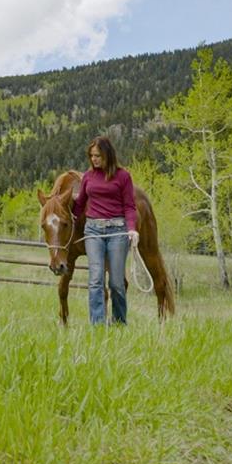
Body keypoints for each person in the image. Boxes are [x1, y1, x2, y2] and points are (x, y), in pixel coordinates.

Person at [71, 136, 137, 325]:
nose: (94, 159)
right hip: (93, 230)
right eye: (91, 156)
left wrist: (132, 229)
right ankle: (98, 325)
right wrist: (65, 216)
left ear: (108, 155)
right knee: (95, 280)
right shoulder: (88, 177)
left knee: (116, 283)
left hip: (117, 231)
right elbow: (80, 204)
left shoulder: (123, 176)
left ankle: (118, 323)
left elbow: (130, 206)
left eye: (98, 155)